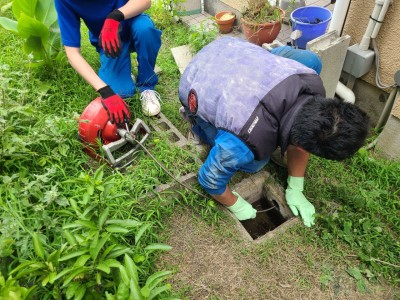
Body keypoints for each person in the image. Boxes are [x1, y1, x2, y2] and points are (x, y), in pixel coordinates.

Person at [178, 37, 369, 227]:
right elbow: (210, 179)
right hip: (195, 78)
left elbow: (302, 141)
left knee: (311, 60)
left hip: (229, 47)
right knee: (257, 162)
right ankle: (196, 123)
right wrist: (235, 204)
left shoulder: (310, 79)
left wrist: (296, 186)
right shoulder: (243, 140)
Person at [54, 0, 162, 127]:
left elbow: (144, 2)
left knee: (145, 30)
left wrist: (114, 17)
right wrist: (105, 91)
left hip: (134, 23)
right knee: (121, 92)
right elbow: (72, 54)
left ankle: (147, 87)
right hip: (109, 43)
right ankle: (125, 75)